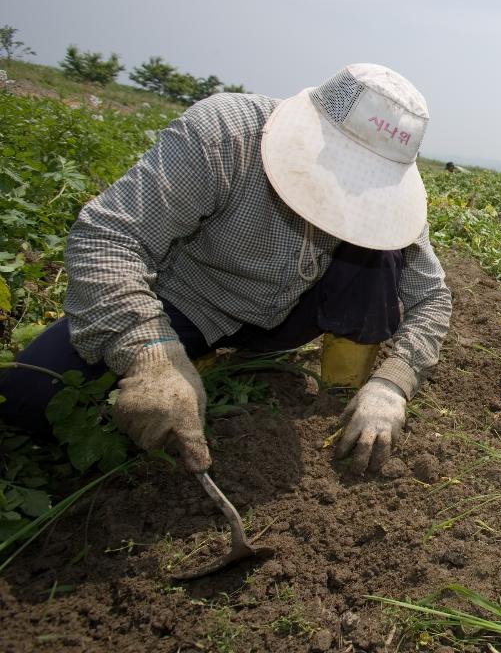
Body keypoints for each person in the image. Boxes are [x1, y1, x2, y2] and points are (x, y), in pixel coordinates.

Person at [0, 63, 452, 474]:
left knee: (384, 253)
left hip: (295, 313)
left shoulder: (395, 204)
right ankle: (187, 356)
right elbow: (109, 237)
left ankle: (342, 386)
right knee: (27, 396)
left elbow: (432, 297)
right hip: (191, 303)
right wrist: (150, 354)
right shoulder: (225, 133)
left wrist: (393, 384)